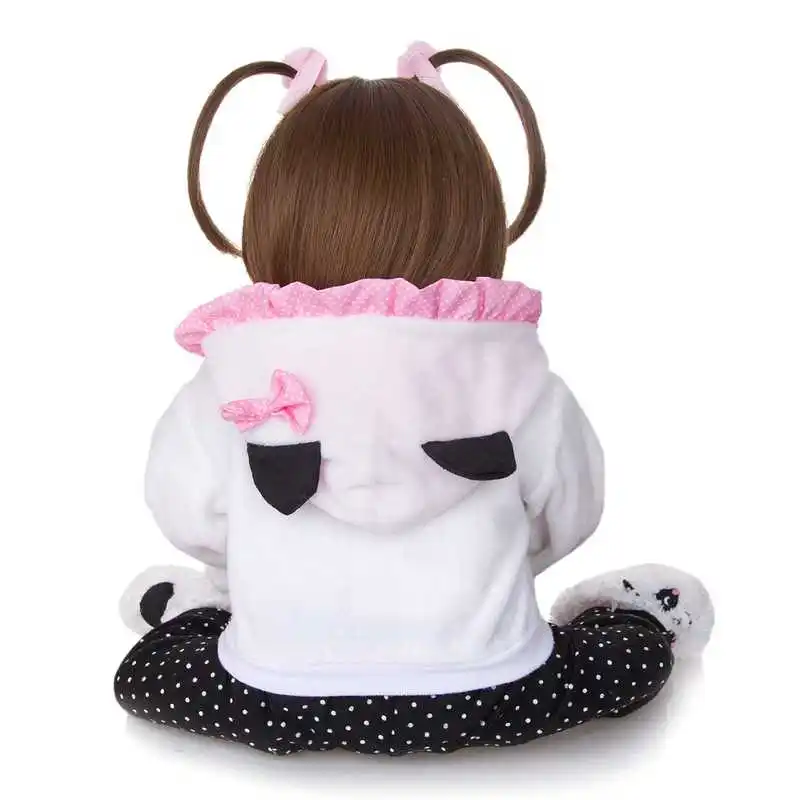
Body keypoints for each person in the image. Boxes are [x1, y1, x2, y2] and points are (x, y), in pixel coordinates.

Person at [114, 42, 713, 757]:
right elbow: (569, 515)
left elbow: (190, 518)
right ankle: (640, 613)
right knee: (626, 668)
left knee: (147, 676)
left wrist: (259, 566)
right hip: (495, 693)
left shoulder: (227, 381)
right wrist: (488, 566)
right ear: (480, 214)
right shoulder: (521, 379)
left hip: (272, 697)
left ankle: (194, 613)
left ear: (271, 216)